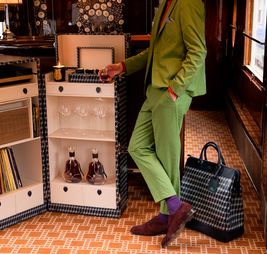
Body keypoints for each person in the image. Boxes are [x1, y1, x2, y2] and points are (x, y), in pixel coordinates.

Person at [99, 0, 207, 248]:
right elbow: (154, 53)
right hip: (155, 91)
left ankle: (165, 216)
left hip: (171, 93)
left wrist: (175, 89)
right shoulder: (166, 4)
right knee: (137, 147)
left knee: (167, 157)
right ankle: (174, 208)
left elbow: (198, 52)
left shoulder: (189, 4)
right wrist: (122, 67)